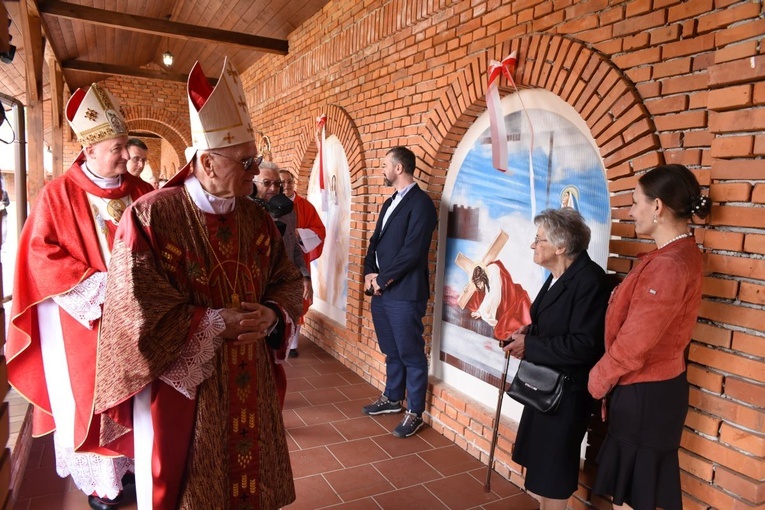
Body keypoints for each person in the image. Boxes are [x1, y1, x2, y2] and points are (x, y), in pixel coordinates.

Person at [93, 57, 302, 510]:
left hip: (252, 375)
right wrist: (208, 323)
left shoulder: (256, 218)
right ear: (207, 162)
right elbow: (133, 308)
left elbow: (286, 278)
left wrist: (273, 314)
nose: (255, 172)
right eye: (246, 162)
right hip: (189, 388)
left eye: (256, 160)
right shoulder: (152, 215)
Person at [5, 83, 154, 510]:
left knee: (140, 395)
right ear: (88, 150)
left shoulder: (141, 192)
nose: (126, 156)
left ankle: (132, 469)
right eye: (117, 148)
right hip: (85, 323)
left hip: (140, 321)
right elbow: (39, 253)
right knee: (92, 397)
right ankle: (100, 483)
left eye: (127, 147)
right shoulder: (57, 195)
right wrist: (102, 286)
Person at [588, 164, 711, 510]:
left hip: (646, 394)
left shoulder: (670, 264)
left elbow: (635, 344)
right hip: (650, 391)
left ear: (657, 207)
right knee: (633, 495)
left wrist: (596, 380)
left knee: (632, 499)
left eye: (635, 202)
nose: (630, 211)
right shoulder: (674, 254)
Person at [502, 208, 610, 510]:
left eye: (539, 240)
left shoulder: (589, 281)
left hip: (566, 394)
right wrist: (529, 331)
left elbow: (585, 345)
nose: (533, 245)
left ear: (561, 247)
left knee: (555, 472)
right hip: (546, 388)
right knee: (542, 467)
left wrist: (531, 345)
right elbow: (556, 324)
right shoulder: (557, 277)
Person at [362, 146, 437, 438]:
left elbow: (414, 252)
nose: (382, 170)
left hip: (404, 292)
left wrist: (385, 279)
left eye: (385, 165)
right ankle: (393, 398)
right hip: (380, 290)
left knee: (411, 353)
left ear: (398, 168)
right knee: (391, 350)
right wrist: (369, 272)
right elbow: (375, 241)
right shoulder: (390, 202)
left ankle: (414, 412)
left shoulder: (422, 204)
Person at [252, 162, 310, 407]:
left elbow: (295, 247)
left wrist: (304, 276)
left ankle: (271, 404)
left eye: (277, 183)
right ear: (254, 185)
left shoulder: (287, 209)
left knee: (274, 351)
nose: (274, 188)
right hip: (254, 288)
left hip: (279, 290)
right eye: (267, 183)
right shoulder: (246, 210)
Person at [279, 168, 326, 357]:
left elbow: (319, 231)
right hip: (277, 260)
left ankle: (293, 345)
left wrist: (300, 233)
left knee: (298, 300)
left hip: (297, 259)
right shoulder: (271, 204)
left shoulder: (304, 206)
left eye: (290, 181)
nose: (287, 186)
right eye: (282, 182)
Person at [466, 261, 531, 340]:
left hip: (513, 298)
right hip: (505, 300)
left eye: (479, 283)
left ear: (482, 278)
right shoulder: (487, 276)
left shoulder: (493, 271)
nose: (479, 286)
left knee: (505, 328)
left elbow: (492, 296)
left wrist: (480, 312)